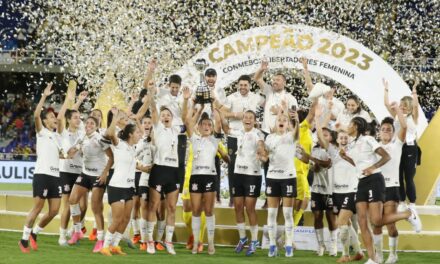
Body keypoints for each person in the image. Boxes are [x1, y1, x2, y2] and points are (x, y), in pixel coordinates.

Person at [340, 116, 422, 264]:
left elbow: (386, 156)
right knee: (362, 221)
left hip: (375, 181)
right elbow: (359, 165)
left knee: (376, 220)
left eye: (350, 124)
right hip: (361, 182)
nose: (348, 127)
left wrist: (373, 167)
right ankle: (373, 259)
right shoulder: (352, 144)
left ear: (356, 126)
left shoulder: (368, 139)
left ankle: (408, 214)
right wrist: (346, 158)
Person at [19, 83, 63, 253]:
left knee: (54, 211)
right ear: (45, 121)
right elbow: (36, 114)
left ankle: (35, 233)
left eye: (55, 117)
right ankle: (23, 239)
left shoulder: (56, 137)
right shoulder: (41, 132)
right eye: (52, 116)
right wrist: (44, 96)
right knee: (37, 208)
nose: (55, 118)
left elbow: (63, 155)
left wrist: (74, 150)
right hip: (42, 175)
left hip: (54, 176)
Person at [220, 108, 265, 256]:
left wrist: (260, 150)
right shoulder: (238, 132)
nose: (247, 119)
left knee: (250, 208)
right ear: (242, 119)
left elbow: (260, 144)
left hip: (252, 175)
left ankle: (254, 241)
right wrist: (219, 112)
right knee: (238, 207)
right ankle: (243, 238)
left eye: (251, 117)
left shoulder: (257, 133)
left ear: (254, 120)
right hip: (238, 174)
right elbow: (226, 129)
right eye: (245, 117)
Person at [145, 86, 184, 255]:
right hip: (159, 169)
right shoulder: (157, 127)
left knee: (172, 208)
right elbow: (153, 108)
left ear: (172, 118)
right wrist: (151, 95)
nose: (166, 116)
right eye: (163, 115)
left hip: (174, 171)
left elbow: (189, 122)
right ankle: (149, 242)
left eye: (168, 115)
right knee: (153, 206)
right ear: (160, 118)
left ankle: (168, 241)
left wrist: (190, 101)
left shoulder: (177, 130)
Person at [184, 96, 225, 254]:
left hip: (209, 177)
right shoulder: (194, 139)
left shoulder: (215, 140)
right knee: (195, 211)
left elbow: (219, 122)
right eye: (204, 124)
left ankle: (211, 243)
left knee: (209, 211)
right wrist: (194, 104)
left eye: (209, 124)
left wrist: (213, 104)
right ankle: (196, 243)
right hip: (195, 177)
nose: (207, 126)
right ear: (199, 127)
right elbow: (188, 122)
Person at [214, 74, 263, 207]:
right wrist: (236, 115)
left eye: (245, 85)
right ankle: (232, 196)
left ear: (249, 85)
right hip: (234, 135)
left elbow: (267, 105)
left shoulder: (256, 97)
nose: (242, 87)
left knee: (252, 164)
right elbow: (223, 112)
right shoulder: (231, 98)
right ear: (237, 85)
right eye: (240, 85)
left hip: (251, 136)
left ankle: (250, 195)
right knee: (232, 166)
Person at [100, 110, 143, 256]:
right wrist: (116, 118)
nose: (140, 135)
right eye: (137, 133)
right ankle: (105, 246)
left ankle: (115, 246)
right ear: (130, 134)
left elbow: (132, 164)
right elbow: (110, 133)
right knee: (117, 219)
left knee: (126, 219)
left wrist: (142, 167)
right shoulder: (119, 144)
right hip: (117, 186)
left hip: (129, 187)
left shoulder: (132, 148)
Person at [373, 97, 409, 263]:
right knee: (376, 223)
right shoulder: (373, 147)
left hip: (392, 187)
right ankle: (378, 255)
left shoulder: (397, 145)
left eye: (389, 129)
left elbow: (404, 126)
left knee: (390, 225)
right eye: (383, 129)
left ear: (392, 132)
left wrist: (398, 111)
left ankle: (393, 254)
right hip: (376, 189)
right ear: (379, 131)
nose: (386, 131)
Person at [261, 100, 298, 258]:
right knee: (271, 214)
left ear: (288, 124)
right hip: (272, 177)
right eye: (279, 120)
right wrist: (261, 155)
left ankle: (288, 245)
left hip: (288, 177)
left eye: (285, 120)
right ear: (275, 123)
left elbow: (297, 133)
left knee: (288, 214)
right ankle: (272, 245)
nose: (282, 122)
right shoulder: (269, 138)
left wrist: (296, 120)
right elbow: (265, 156)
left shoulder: (291, 136)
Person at [297, 111, 337, 257]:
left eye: (326, 135)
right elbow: (311, 164)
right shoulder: (314, 149)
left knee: (331, 217)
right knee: (317, 216)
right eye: (321, 134)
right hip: (316, 189)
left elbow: (326, 164)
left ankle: (333, 245)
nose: (322, 137)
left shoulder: (332, 150)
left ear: (331, 138)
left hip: (330, 190)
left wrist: (311, 159)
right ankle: (321, 245)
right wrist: (300, 155)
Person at [57, 90, 88, 246]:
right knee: (68, 205)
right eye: (75, 118)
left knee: (83, 205)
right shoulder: (63, 133)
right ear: (69, 120)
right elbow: (65, 115)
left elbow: (73, 113)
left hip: (81, 172)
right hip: (67, 171)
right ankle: (62, 234)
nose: (78, 119)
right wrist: (70, 100)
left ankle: (75, 229)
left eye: (79, 117)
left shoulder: (82, 131)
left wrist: (79, 101)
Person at [384, 78, 420, 211]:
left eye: (405, 105)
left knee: (408, 177)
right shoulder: (396, 115)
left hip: (410, 148)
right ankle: (401, 201)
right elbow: (386, 104)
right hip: (397, 147)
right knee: (398, 175)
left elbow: (416, 105)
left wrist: (414, 90)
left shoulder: (413, 117)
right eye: (401, 104)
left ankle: (412, 203)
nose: (402, 107)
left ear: (410, 108)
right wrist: (386, 90)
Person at [254, 59, 298, 134]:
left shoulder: (290, 98)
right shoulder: (269, 91)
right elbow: (257, 78)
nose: (274, 82)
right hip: (265, 132)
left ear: (284, 83)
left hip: (282, 134)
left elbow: (294, 118)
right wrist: (261, 69)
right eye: (273, 80)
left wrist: (280, 112)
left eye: (278, 80)